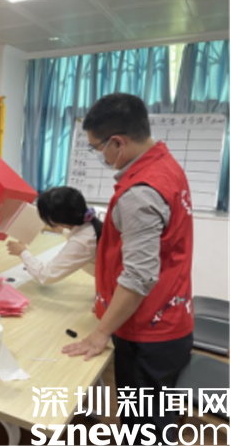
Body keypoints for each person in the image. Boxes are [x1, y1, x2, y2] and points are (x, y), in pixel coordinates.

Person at [62, 93, 194, 445]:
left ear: (117, 143)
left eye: (97, 148)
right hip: (172, 315)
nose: (100, 155)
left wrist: (101, 332)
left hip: (148, 331)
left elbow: (138, 277)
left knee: (143, 430)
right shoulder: (165, 164)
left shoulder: (140, 192)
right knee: (156, 421)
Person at [6, 186, 101, 284]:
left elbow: (45, 276)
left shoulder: (81, 242)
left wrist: (22, 252)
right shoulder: (93, 216)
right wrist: (57, 228)